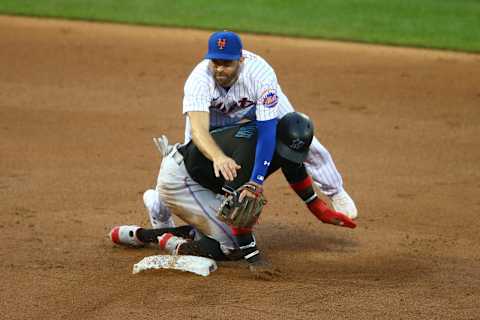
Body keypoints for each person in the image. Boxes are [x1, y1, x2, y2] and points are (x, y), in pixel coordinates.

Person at [110, 112, 356, 279]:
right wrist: (254, 258)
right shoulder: (248, 157)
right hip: (181, 181)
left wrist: (318, 208)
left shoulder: (273, 137)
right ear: (276, 138)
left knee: (224, 233)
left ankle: (139, 235)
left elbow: (293, 167)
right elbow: (237, 212)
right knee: (232, 247)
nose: (286, 156)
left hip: (201, 180)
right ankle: (173, 244)